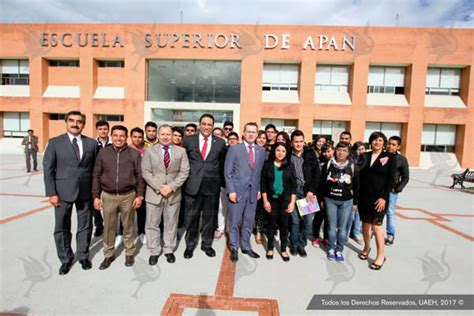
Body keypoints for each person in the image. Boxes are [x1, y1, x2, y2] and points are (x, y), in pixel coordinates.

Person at [43, 111, 97, 275]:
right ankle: (66, 259)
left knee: (85, 226)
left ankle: (83, 255)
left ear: (84, 124)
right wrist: (52, 193)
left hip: (85, 192)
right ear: (66, 122)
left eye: (79, 121)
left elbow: (95, 170)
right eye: (72, 121)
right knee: (61, 227)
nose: (75, 124)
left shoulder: (91, 144)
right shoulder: (54, 143)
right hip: (62, 193)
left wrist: (95, 193)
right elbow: (48, 170)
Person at [92, 125, 145, 270]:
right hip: (108, 196)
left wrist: (140, 196)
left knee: (128, 226)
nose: (118, 139)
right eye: (115, 135)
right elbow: (96, 175)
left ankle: (129, 252)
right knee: (109, 227)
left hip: (128, 195)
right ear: (111, 136)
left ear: (126, 137)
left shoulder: (134, 154)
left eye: (122, 136)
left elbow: (140, 177)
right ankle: (109, 254)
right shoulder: (103, 153)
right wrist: (96, 196)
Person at [142, 124, 190, 265]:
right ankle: (154, 251)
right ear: (158, 135)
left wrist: (171, 187)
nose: (165, 137)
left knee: (171, 223)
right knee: (152, 224)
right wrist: (160, 187)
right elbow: (145, 172)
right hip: (154, 193)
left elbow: (184, 172)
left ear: (172, 135)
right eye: (162, 134)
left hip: (173, 194)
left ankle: (169, 249)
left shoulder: (181, 151)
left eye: (168, 134)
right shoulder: (150, 151)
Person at [182, 114, 227, 259]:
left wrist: (220, 182)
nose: (207, 127)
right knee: (191, 217)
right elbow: (184, 162)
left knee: (210, 218)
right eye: (204, 124)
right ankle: (190, 245)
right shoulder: (188, 140)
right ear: (199, 124)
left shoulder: (220, 142)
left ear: (213, 126)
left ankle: (207, 245)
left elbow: (222, 164)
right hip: (192, 185)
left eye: (209, 124)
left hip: (211, 186)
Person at [224, 122, 265, 262]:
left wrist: (259, 189)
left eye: (254, 132)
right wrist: (231, 191)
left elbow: (259, 173)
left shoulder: (261, 150)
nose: (251, 134)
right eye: (248, 131)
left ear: (257, 134)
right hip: (237, 191)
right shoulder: (234, 149)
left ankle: (246, 246)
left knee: (248, 221)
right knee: (234, 221)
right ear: (243, 133)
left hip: (253, 192)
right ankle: (234, 247)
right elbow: (227, 172)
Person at [358, 131, 396, 271]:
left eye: (380, 140)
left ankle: (380, 256)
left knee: (376, 226)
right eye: (374, 140)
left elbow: (390, 180)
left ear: (383, 143)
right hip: (364, 197)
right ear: (370, 142)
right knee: (365, 225)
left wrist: (384, 198)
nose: (377, 142)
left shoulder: (389, 158)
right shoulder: (364, 156)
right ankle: (367, 247)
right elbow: (359, 176)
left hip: (379, 198)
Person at [320, 142, 359, 262]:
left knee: (342, 228)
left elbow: (357, 186)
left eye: (344, 150)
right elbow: (322, 183)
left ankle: (339, 250)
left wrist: (355, 203)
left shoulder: (353, 166)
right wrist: (321, 199)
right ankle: (331, 248)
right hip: (330, 199)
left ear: (348, 153)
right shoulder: (329, 164)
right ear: (335, 151)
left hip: (346, 201)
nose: (341, 152)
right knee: (331, 227)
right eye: (339, 150)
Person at [261, 142, 296, 262]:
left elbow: (293, 186)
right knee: (271, 225)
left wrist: (292, 203)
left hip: (285, 200)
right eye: (278, 150)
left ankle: (283, 249)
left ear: (286, 153)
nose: (280, 153)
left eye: (283, 151)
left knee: (284, 226)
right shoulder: (267, 165)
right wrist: (265, 201)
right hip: (272, 200)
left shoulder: (290, 166)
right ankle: (270, 247)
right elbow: (263, 185)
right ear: (274, 151)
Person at [288, 130, 320, 258]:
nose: (298, 144)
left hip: (308, 193)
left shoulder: (310, 154)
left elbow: (316, 174)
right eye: (296, 142)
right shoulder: (288, 155)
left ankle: (302, 245)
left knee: (307, 222)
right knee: (295, 221)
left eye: (301, 141)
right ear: (292, 142)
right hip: (293, 192)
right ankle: (294, 244)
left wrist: (311, 191)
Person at [116, 127, 147, 247]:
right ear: (130, 137)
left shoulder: (145, 150)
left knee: (141, 211)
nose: (137, 139)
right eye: (135, 137)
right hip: (128, 186)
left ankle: (141, 232)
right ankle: (120, 233)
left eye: (140, 137)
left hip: (141, 185)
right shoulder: (125, 150)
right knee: (125, 212)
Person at [385, 136, 409, 246]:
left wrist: (398, 188)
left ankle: (390, 234)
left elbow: (406, 177)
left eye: (393, 144)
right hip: (378, 189)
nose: (390, 146)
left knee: (389, 212)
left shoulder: (401, 160)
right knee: (375, 211)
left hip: (391, 191)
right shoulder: (382, 156)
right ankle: (374, 230)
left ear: (398, 146)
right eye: (389, 144)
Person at [345, 141, 367, 245]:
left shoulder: (367, 160)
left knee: (359, 214)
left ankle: (356, 232)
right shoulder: (351, 161)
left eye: (363, 149)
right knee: (351, 214)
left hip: (364, 190)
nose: (361, 151)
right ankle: (346, 233)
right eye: (359, 149)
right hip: (353, 189)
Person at [312, 142, 334, 248]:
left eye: (328, 151)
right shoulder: (318, 162)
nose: (326, 154)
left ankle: (326, 238)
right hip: (318, 194)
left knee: (328, 219)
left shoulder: (336, 163)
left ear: (333, 151)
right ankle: (316, 236)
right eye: (324, 151)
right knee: (318, 217)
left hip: (331, 195)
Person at [92, 120, 111, 237]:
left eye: (105, 129)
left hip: (109, 177)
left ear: (108, 130)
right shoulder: (93, 144)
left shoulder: (113, 142)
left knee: (109, 203)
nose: (103, 131)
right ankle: (99, 225)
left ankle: (111, 226)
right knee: (95, 202)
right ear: (97, 130)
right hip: (96, 176)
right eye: (100, 129)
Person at [253, 130, 269, 244]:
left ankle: (259, 232)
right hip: (251, 184)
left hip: (264, 185)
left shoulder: (268, 152)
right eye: (259, 137)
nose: (261, 140)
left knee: (260, 210)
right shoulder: (250, 150)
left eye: (264, 138)